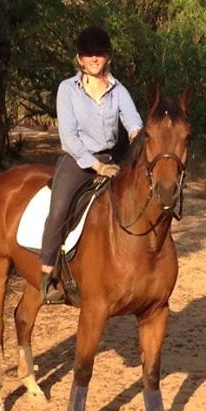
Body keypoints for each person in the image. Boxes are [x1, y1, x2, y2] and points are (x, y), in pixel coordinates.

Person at [39, 26, 143, 303]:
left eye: (100, 54)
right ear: (79, 59)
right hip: (78, 160)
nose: (95, 59)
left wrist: (136, 136)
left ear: (107, 57)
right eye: (89, 54)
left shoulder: (119, 90)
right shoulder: (67, 90)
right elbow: (69, 137)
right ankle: (48, 273)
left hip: (113, 157)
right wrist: (96, 166)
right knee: (59, 208)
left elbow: (133, 122)